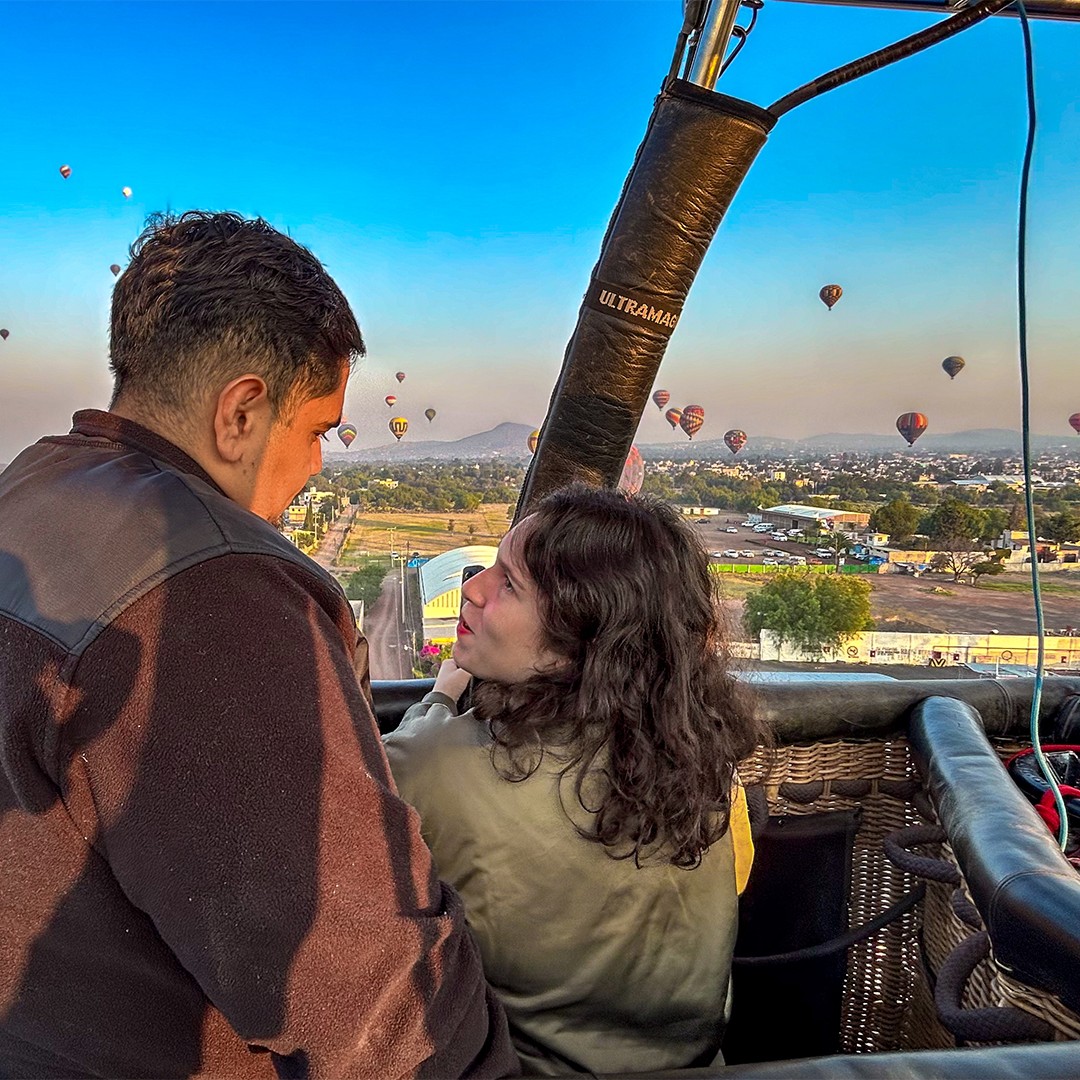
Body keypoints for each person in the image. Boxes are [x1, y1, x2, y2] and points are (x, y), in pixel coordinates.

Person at [0, 211, 516, 1079]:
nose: (317, 465)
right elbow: (365, 987)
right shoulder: (212, 585)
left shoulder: (25, 491)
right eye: (315, 431)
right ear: (240, 411)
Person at [384, 484, 769, 1076]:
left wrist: (436, 701)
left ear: (578, 642)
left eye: (509, 584)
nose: (473, 588)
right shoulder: (707, 764)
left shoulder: (434, 763)